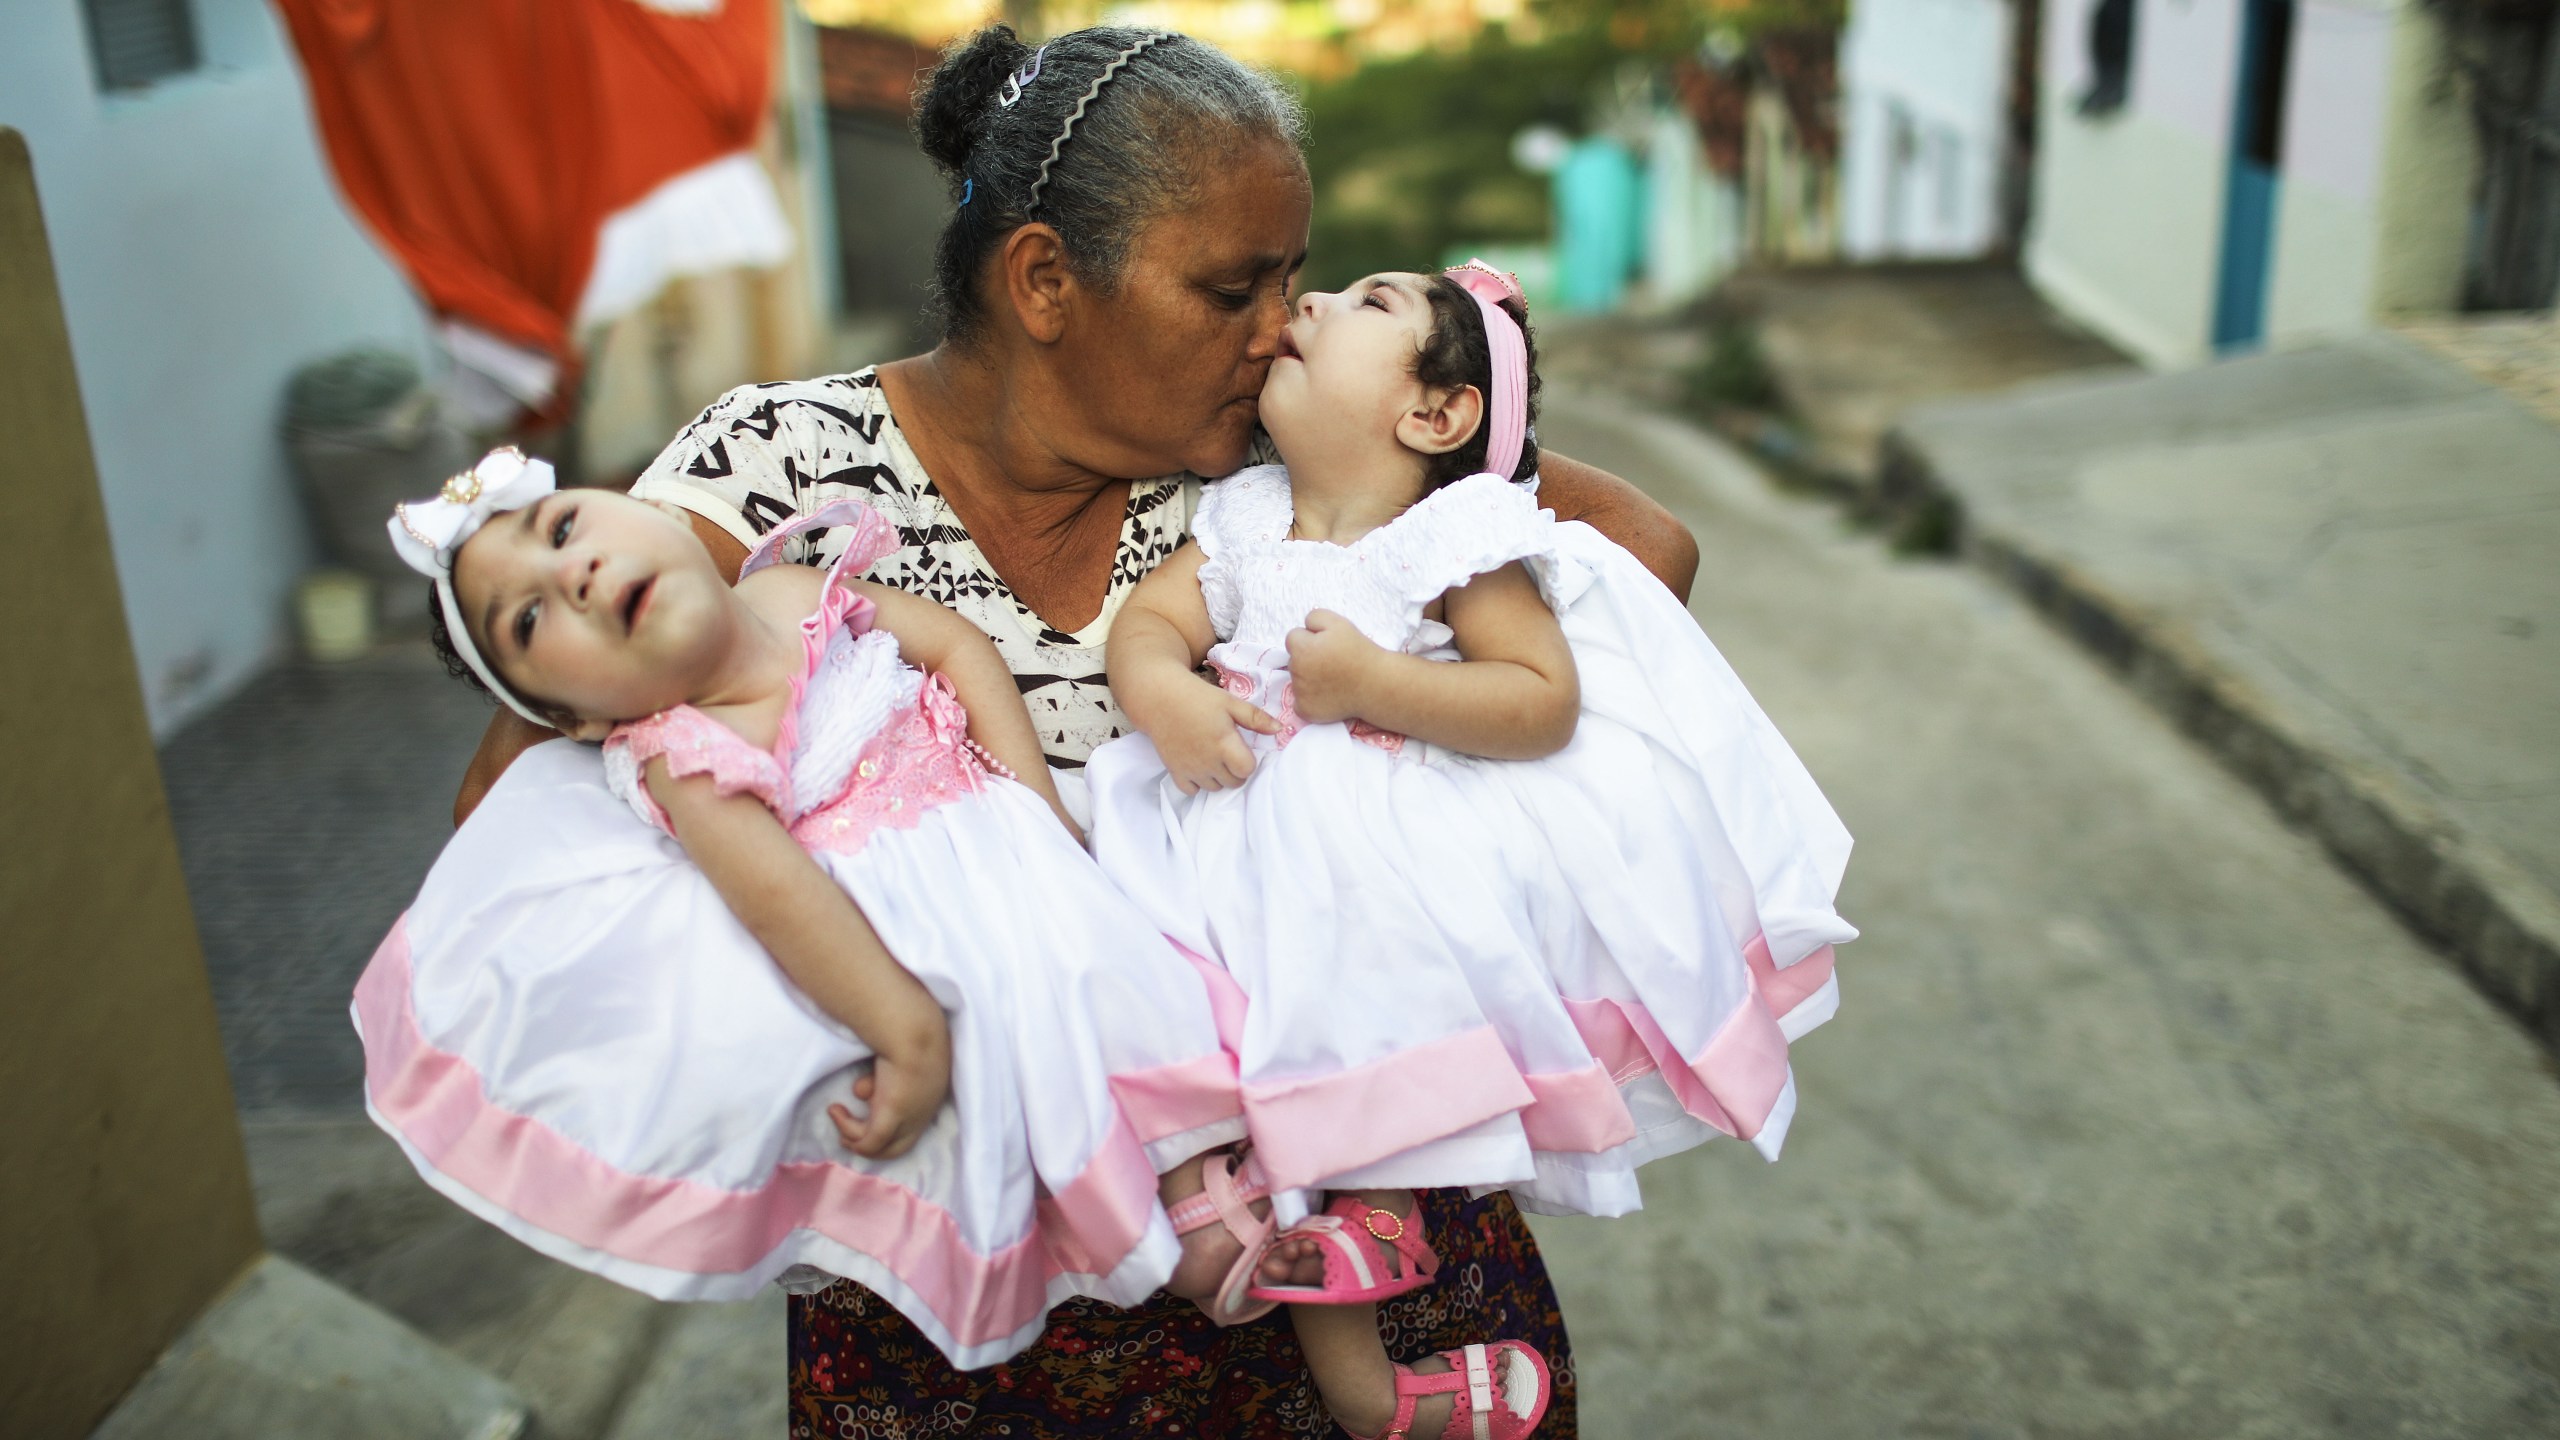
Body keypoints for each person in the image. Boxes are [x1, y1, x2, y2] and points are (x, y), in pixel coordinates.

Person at [455, 24, 1698, 1436]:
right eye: (1237, 287)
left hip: (1348, 1249)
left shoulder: (1276, 470)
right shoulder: (780, 474)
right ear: (1045, 278)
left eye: (1298, 284)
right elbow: (515, 803)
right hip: (968, 1309)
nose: (1286, 326)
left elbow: (1648, 552)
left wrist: (1417, 543)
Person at [1085, 261, 1855, 1438]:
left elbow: (1538, 696)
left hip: (1356, 845)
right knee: (1192, 1010)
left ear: (1434, 414)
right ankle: (1371, 1381)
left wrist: (1376, 685)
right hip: (1228, 827)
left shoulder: (1447, 537)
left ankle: (1374, 1218)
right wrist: (1159, 688)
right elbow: (1153, 621)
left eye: (1363, 305)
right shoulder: (1243, 514)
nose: (1311, 307)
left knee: (1353, 1003)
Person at [359, 448, 1263, 1368]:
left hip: (1001, 830)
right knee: (1027, 1035)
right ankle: (1174, 1229)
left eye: (562, 529)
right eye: (530, 615)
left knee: (1125, 976)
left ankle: (1214, 1153)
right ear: (577, 722)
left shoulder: (791, 587)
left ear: (655, 515)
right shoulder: (682, 752)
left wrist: (1041, 813)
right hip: (919, 919)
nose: (573, 574)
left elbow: (955, 645)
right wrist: (904, 1028)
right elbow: (782, 903)